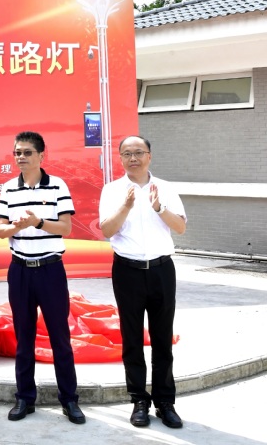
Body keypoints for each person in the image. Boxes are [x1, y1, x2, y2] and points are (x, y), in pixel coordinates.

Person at [0, 131, 86, 424]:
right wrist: (17, 226)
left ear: (41, 155)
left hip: (50, 270)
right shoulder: (9, 188)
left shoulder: (57, 185)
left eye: (27, 152)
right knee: (24, 338)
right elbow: (0, 230)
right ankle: (25, 398)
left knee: (60, 337)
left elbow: (65, 228)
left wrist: (37, 222)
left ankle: (69, 400)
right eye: (17, 153)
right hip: (20, 270)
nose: (21, 157)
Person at [99, 135, 187, 429]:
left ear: (149, 156)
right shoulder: (112, 190)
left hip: (162, 270)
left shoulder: (165, 188)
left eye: (138, 152)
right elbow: (107, 231)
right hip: (128, 271)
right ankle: (139, 401)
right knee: (132, 338)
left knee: (162, 337)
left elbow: (181, 227)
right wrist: (125, 206)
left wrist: (159, 207)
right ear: (120, 159)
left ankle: (165, 402)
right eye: (127, 153)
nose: (133, 158)